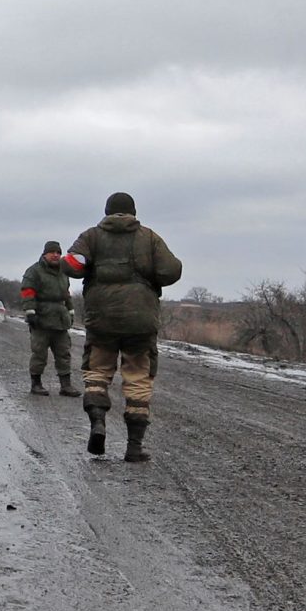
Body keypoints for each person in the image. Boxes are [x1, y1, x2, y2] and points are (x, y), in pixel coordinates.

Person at [70, 193, 182, 460]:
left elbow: (73, 266)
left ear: (107, 211)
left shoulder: (91, 236)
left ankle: (98, 421)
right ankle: (134, 447)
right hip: (140, 320)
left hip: (101, 319)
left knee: (97, 373)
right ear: (133, 211)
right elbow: (171, 271)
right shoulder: (149, 237)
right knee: (138, 380)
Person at [19, 239, 82, 398]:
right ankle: (36, 383)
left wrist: (71, 310)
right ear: (45, 254)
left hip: (60, 319)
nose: (55, 255)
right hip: (41, 318)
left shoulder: (63, 272)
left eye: (58, 253)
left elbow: (66, 293)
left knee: (64, 353)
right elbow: (27, 292)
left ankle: (65, 385)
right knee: (39, 353)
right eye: (52, 252)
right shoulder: (34, 271)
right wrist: (30, 312)